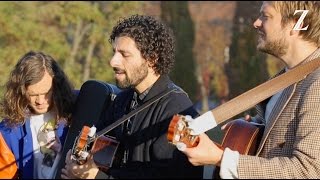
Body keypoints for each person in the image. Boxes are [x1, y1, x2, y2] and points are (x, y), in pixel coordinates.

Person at [176, 1, 320, 179]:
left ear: (299, 23)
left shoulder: (317, 83)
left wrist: (221, 158)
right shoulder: (285, 78)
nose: (256, 23)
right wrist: (252, 130)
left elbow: (309, 171)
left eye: (265, 16)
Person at [61, 14, 203, 179]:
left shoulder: (177, 109)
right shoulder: (123, 100)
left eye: (124, 54)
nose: (113, 62)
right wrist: (75, 159)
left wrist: (96, 176)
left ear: (152, 59)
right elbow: (99, 148)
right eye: (114, 52)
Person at [0, 51, 76, 179]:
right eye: (33, 95)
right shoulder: (8, 131)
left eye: (47, 93)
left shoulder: (78, 112)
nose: (40, 101)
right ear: (21, 91)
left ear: (57, 87)